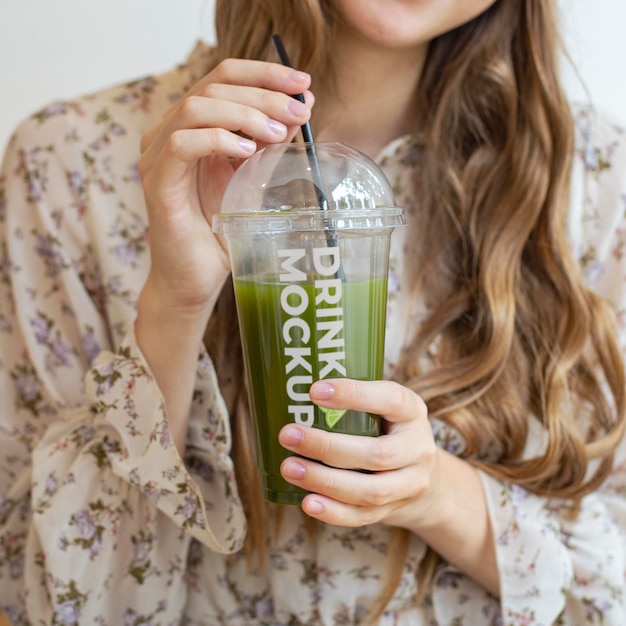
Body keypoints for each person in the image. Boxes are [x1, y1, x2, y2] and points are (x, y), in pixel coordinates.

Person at [1, 0, 625, 623]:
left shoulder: (594, 181)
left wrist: (439, 496)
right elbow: (34, 588)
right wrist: (174, 303)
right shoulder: (69, 164)